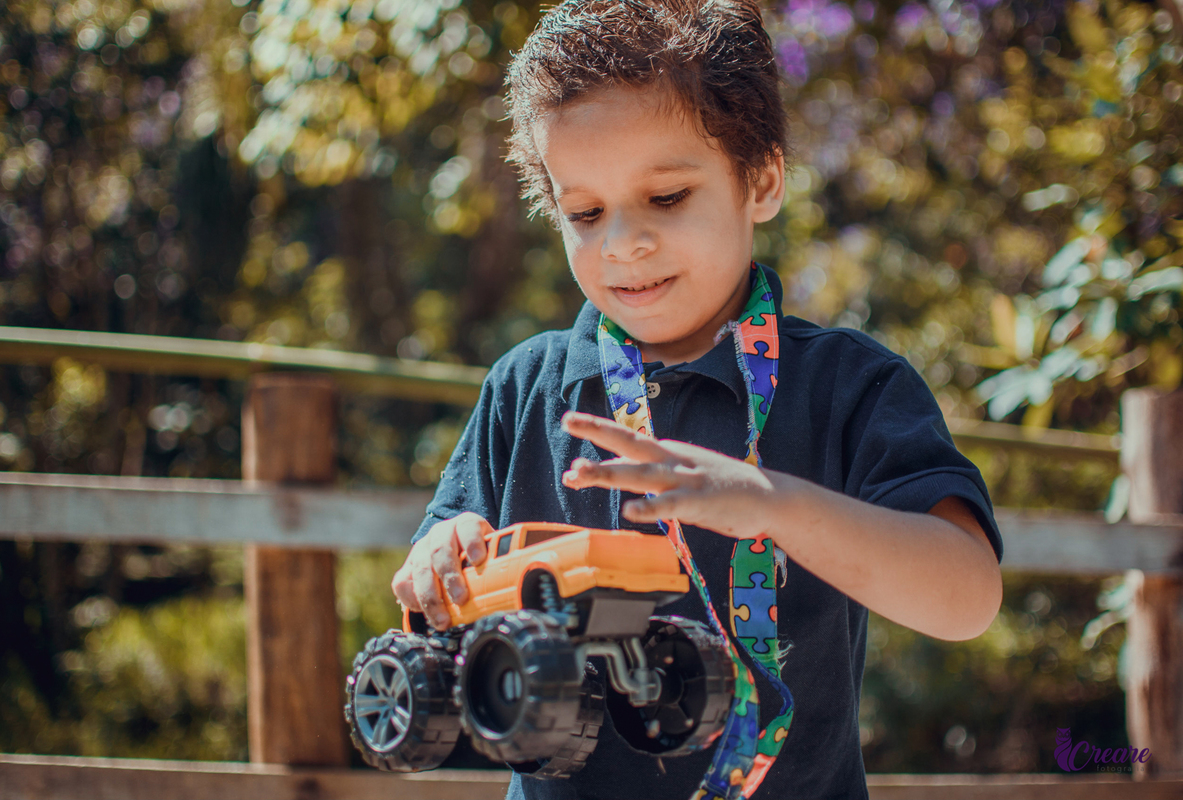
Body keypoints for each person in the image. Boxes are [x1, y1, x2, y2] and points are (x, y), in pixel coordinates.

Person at [391, 1, 1004, 798]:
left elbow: (968, 596)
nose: (622, 243)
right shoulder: (524, 386)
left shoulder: (850, 386)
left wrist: (772, 504)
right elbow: (430, 586)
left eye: (668, 198)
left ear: (762, 180)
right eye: (585, 212)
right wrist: (441, 560)